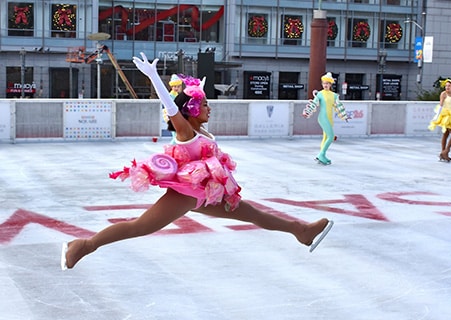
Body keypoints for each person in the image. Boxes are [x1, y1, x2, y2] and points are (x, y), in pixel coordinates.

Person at [61, 52, 334, 270]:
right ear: (191, 109)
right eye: (204, 105)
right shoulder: (185, 132)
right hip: (185, 194)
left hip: (206, 195)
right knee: (140, 226)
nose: (209, 108)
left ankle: (302, 231)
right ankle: (84, 246)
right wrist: (155, 78)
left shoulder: (202, 132)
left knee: (252, 213)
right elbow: (171, 109)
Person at [302, 72, 349, 165]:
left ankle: (322, 155)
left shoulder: (334, 95)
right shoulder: (320, 94)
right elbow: (313, 104)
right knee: (331, 137)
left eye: (327, 83)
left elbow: (338, 106)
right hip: (323, 117)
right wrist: (307, 112)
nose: (325, 85)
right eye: (324, 83)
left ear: (331, 84)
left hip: (330, 118)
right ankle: (321, 155)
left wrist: (344, 116)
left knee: (326, 137)